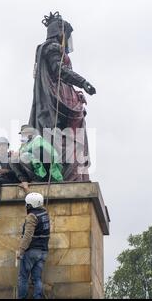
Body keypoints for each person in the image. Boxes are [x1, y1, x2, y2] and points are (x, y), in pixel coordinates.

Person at [29, 11, 96, 181]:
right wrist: (83, 82)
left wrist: (77, 91)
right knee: (71, 137)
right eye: (66, 33)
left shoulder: (49, 48)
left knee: (74, 136)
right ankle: (71, 173)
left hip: (64, 93)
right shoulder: (52, 48)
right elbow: (60, 71)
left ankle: (76, 172)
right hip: (59, 98)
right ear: (59, 31)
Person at [9, 124, 63, 192]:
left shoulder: (38, 140)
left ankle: (37, 179)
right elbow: (20, 152)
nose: (22, 136)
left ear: (30, 133)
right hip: (34, 167)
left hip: (44, 170)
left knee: (24, 156)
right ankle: (24, 181)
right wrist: (14, 154)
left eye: (24, 134)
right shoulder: (26, 144)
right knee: (12, 159)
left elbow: (40, 151)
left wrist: (21, 153)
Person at [17, 192, 50, 299]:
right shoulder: (45, 214)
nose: (26, 206)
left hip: (31, 251)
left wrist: (21, 250)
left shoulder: (32, 216)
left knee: (23, 278)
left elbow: (27, 235)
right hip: (43, 251)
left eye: (27, 204)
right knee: (37, 278)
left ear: (31, 204)